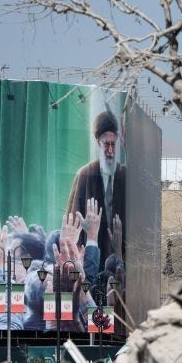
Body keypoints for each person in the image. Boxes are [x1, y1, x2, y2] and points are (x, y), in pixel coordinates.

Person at [65, 111, 125, 271]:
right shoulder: (85, 175)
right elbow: (72, 224)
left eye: (113, 144)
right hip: (91, 262)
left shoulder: (126, 176)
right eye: (107, 144)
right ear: (98, 142)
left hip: (121, 264)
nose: (110, 151)